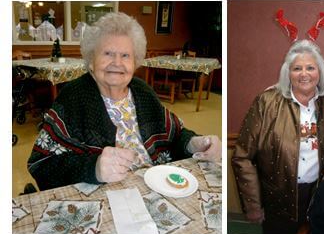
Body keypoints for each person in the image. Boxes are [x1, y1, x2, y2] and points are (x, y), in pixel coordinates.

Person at [27, 12, 222, 191]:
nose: (117, 63)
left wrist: (195, 143)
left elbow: (176, 135)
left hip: (157, 188)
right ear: (91, 60)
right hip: (104, 198)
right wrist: (93, 168)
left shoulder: (142, 91)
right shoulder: (73, 96)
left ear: (135, 62)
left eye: (125, 55)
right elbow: (41, 165)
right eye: (108, 53)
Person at [232, 40, 324, 234]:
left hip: (319, 198)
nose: (304, 74)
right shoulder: (267, 102)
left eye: (310, 68)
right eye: (297, 68)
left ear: (319, 72)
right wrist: (253, 205)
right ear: (288, 73)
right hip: (277, 203)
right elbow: (242, 157)